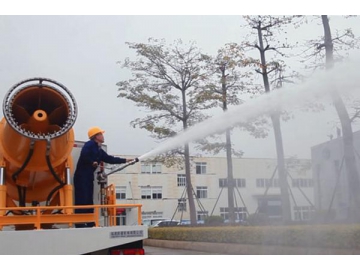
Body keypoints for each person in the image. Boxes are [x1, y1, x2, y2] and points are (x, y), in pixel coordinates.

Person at [73, 126, 135, 228]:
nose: (103, 136)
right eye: (101, 134)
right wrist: (92, 162)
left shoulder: (98, 149)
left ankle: (90, 223)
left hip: (88, 177)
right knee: (82, 199)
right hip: (81, 177)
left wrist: (125, 160)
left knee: (89, 200)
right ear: (96, 136)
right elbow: (84, 155)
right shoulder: (89, 145)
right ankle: (80, 223)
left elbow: (109, 159)